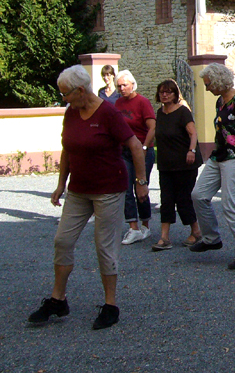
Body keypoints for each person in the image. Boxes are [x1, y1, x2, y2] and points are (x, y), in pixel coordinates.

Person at [28, 65, 146, 330]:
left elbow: (135, 146)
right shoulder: (71, 112)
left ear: (80, 90)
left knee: (104, 247)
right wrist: (61, 183)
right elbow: (67, 149)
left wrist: (141, 182)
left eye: (66, 94)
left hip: (108, 189)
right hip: (79, 191)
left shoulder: (108, 113)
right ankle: (58, 300)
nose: (64, 99)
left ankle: (110, 305)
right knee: (62, 240)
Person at [190, 63, 235, 270]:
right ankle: (211, 238)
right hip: (218, 156)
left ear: (219, 81)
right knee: (198, 195)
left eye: (209, 84)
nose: (207, 88)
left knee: (231, 205)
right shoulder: (220, 100)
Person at [152, 79, 202, 251]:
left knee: (183, 199)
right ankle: (164, 237)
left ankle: (196, 231)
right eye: (162, 92)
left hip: (185, 163)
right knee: (166, 200)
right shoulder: (160, 112)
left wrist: (192, 151)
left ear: (175, 94)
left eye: (168, 92)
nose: (164, 95)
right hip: (166, 164)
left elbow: (193, 133)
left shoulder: (182, 112)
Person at [115, 70, 155, 245]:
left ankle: (145, 224)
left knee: (141, 186)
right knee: (125, 188)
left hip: (142, 151)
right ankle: (133, 227)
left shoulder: (142, 102)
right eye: (119, 86)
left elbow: (152, 127)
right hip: (124, 151)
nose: (122, 88)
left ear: (132, 84)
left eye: (124, 85)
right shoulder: (117, 103)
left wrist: (145, 146)